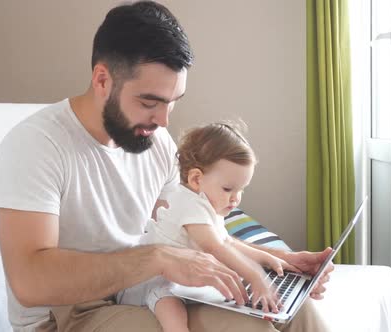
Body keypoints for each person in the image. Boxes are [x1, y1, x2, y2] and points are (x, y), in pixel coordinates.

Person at [0, 1, 334, 331]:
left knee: (295, 312)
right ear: (101, 80)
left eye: (173, 102)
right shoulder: (37, 145)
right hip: (70, 314)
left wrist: (280, 261)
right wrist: (156, 258)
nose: (163, 119)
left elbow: (189, 228)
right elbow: (29, 281)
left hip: (145, 291)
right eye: (149, 101)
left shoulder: (155, 141)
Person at [116, 122, 305, 332]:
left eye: (241, 190)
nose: (235, 199)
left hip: (183, 275)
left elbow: (226, 241)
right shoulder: (187, 203)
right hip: (150, 280)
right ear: (196, 179)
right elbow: (216, 247)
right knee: (169, 303)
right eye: (228, 189)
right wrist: (255, 276)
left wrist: (267, 259)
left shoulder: (207, 204)